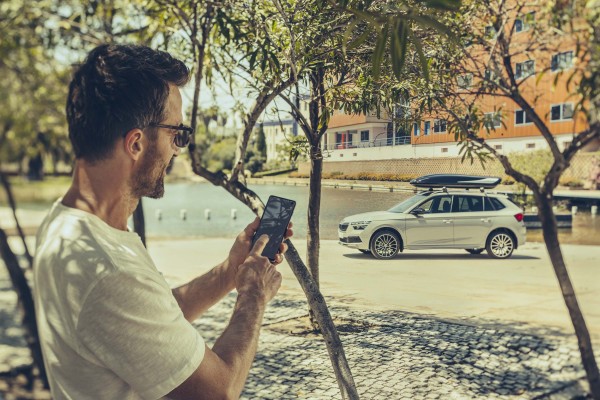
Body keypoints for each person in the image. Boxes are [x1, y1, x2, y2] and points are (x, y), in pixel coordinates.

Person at [32, 44, 292, 400]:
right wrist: (254, 294)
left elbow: (147, 317)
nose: (177, 149)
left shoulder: (64, 224)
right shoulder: (109, 269)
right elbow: (220, 391)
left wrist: (230, 272)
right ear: (136, 144)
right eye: (176, 134)